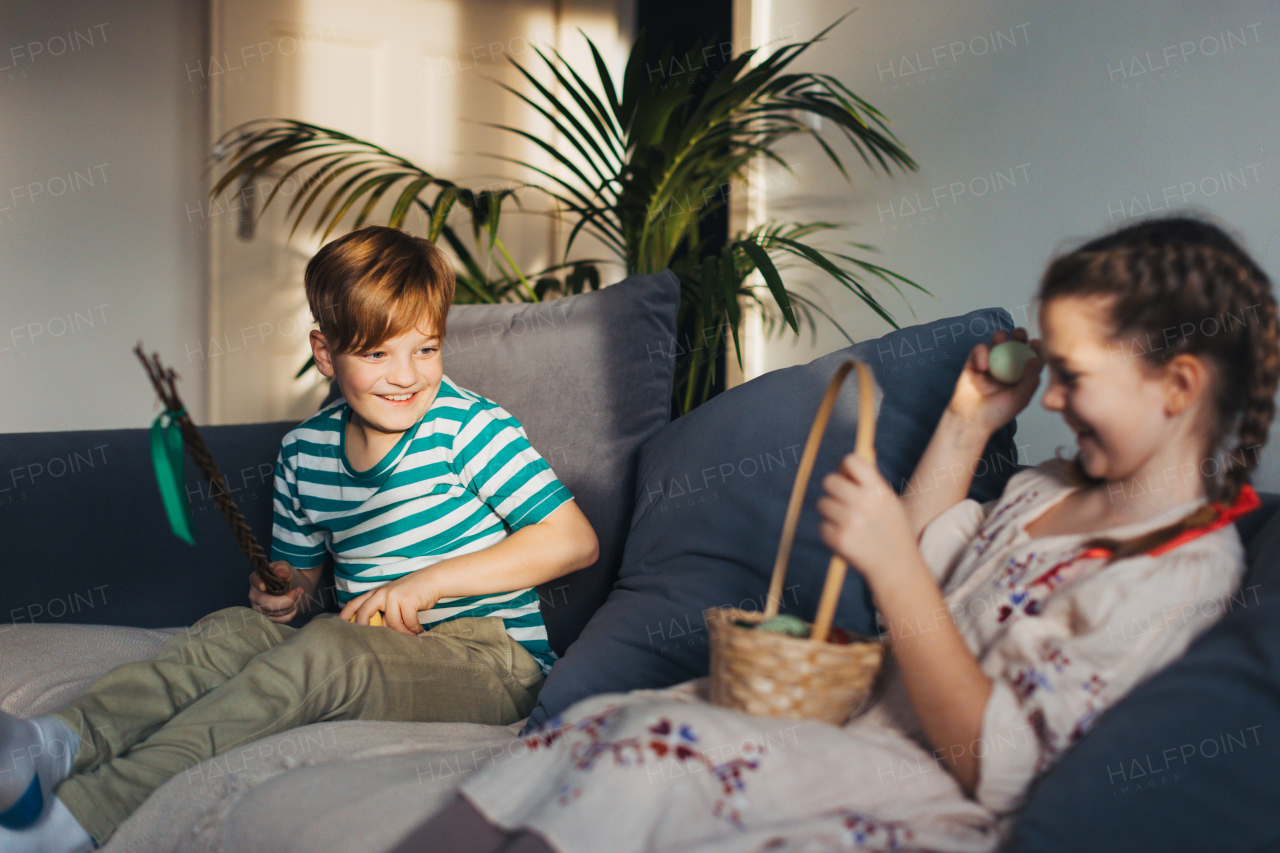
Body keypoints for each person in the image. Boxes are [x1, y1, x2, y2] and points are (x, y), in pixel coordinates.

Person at [390, 216, 1278, 853]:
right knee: (598, 723)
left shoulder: (1180, 571)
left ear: (1177, 385)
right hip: (863, 722)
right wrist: (966, 424)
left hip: (930, 776)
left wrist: (894, 572)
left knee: (654, 762)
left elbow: (1000, 766)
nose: (1049, 399)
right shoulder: (1048, 486)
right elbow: (934, 551)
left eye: (1074, 376)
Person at [0, 225, 599, 852]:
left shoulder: (470, 426)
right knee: (231, 630)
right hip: (368, 641)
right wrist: (286, 590)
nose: (407, 376)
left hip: (491, 661)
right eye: (376, 355)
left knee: (328, 653)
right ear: (324, 351)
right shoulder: (304, 451)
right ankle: (56, 741)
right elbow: (302, 577)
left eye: (425, 350)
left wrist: (426, 583)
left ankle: (75, 819)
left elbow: (572, 540)